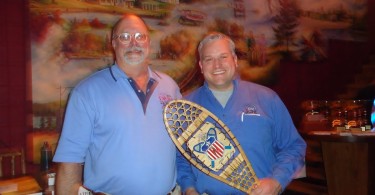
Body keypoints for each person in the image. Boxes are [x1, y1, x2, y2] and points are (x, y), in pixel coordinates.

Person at [53, 14, 182, 194]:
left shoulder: (170, 87)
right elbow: (70, 161)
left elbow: (183, 146)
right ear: (113, 43)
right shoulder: (86, 92)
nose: (133, 43)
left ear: (148, 42)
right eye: (125, 37)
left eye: (140, 37)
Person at [177, 32, 306, 195]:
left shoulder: (267, 98)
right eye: (209, 59)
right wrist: (188, 189)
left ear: (235, 60)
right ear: (201, 66)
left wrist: (276, 182)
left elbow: (294, 146)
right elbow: (181, 159)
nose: (217, 65)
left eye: (223, 57)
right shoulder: (187, 109)